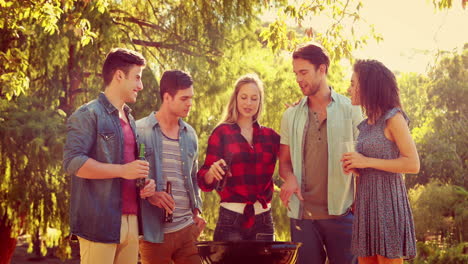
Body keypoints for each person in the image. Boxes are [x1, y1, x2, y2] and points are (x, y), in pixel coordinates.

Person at [63, 48, 156, 264]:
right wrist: (122, 171)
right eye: (137, 78)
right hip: (99, 223)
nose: (140, 86)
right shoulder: (88, 114)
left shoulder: (131, 120)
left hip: (131, 222)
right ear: (119, 76)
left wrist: (144, 185)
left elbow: (130, 169)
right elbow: (73, 162)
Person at [279, 43, 362, 264]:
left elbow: (364, 162)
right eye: (296, 73)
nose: (298, 79)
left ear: (322, 69)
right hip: (302, 218)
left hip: (343, 216)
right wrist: (289, 178)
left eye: (304, 72)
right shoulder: (290, 115)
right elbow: (284, 163)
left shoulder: (352, 110)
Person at [341, 59, 419, 264]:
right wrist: (357, 167)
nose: (349, 89)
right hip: (366, 204)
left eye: (353, 83)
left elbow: (412, 164)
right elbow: (370, 163)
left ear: (368, 86)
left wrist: (365, 161)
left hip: (388, 202)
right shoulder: (366, 124)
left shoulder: (393, 118)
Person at [198, 73, 280, 241]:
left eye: (254, 98)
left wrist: (298, 113)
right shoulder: (222, 133)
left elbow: (294, 158)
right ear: (235, 98)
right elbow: (203, 180)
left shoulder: (270, 136)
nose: (248, 103)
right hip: (231, 219)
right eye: (243, 97)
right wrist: (211, 173)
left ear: (260, 101)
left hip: (263, 219)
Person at [137, 70, 206, 264]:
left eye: (191, 98)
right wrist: (150, 194)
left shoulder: (190, 134)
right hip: (154, 236)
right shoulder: (139, 131)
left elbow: (193, 178)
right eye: (184, 98)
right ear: (167, 97)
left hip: (187, 232)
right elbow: (129, 177)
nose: (189, 103)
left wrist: (197, 211)